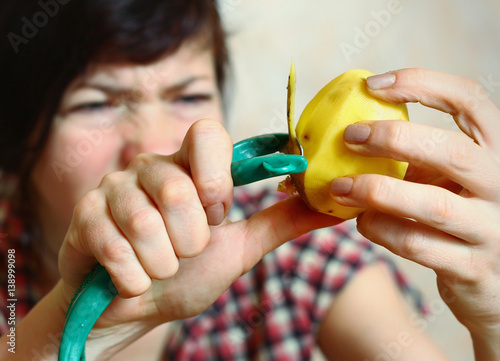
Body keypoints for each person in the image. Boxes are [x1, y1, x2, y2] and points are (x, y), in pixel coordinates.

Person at [0, 1, 498, 360]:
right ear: (15, 146)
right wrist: (76, 328)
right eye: (96, 104)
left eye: (188, 96)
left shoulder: (299, 260)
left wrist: (494, 322)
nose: (150, 143)